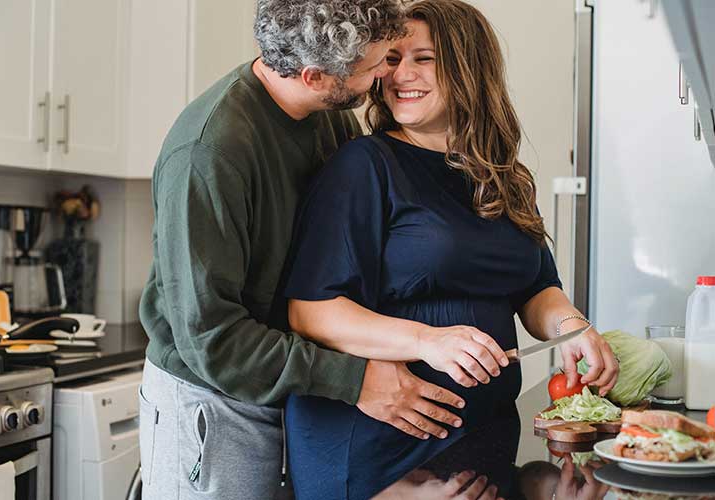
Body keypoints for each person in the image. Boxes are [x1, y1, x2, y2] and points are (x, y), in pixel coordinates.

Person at [135, 1, 477, 499]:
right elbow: (213, 339)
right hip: (215, 399)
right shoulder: (209, 154)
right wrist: (355, 379)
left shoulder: (328, 117)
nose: (390, 73)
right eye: (378, 63)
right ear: (317, 76)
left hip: (290, 387)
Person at [282, 1, 619, 499]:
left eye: (424, 58)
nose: (401, 75)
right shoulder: (364, 166)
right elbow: (310, 312)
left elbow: (534, 285)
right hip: (381, 453)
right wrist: (428, 341)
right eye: (392, 59)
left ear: (468, 68)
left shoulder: (502, 175)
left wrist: (572, 327)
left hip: (482, 440)